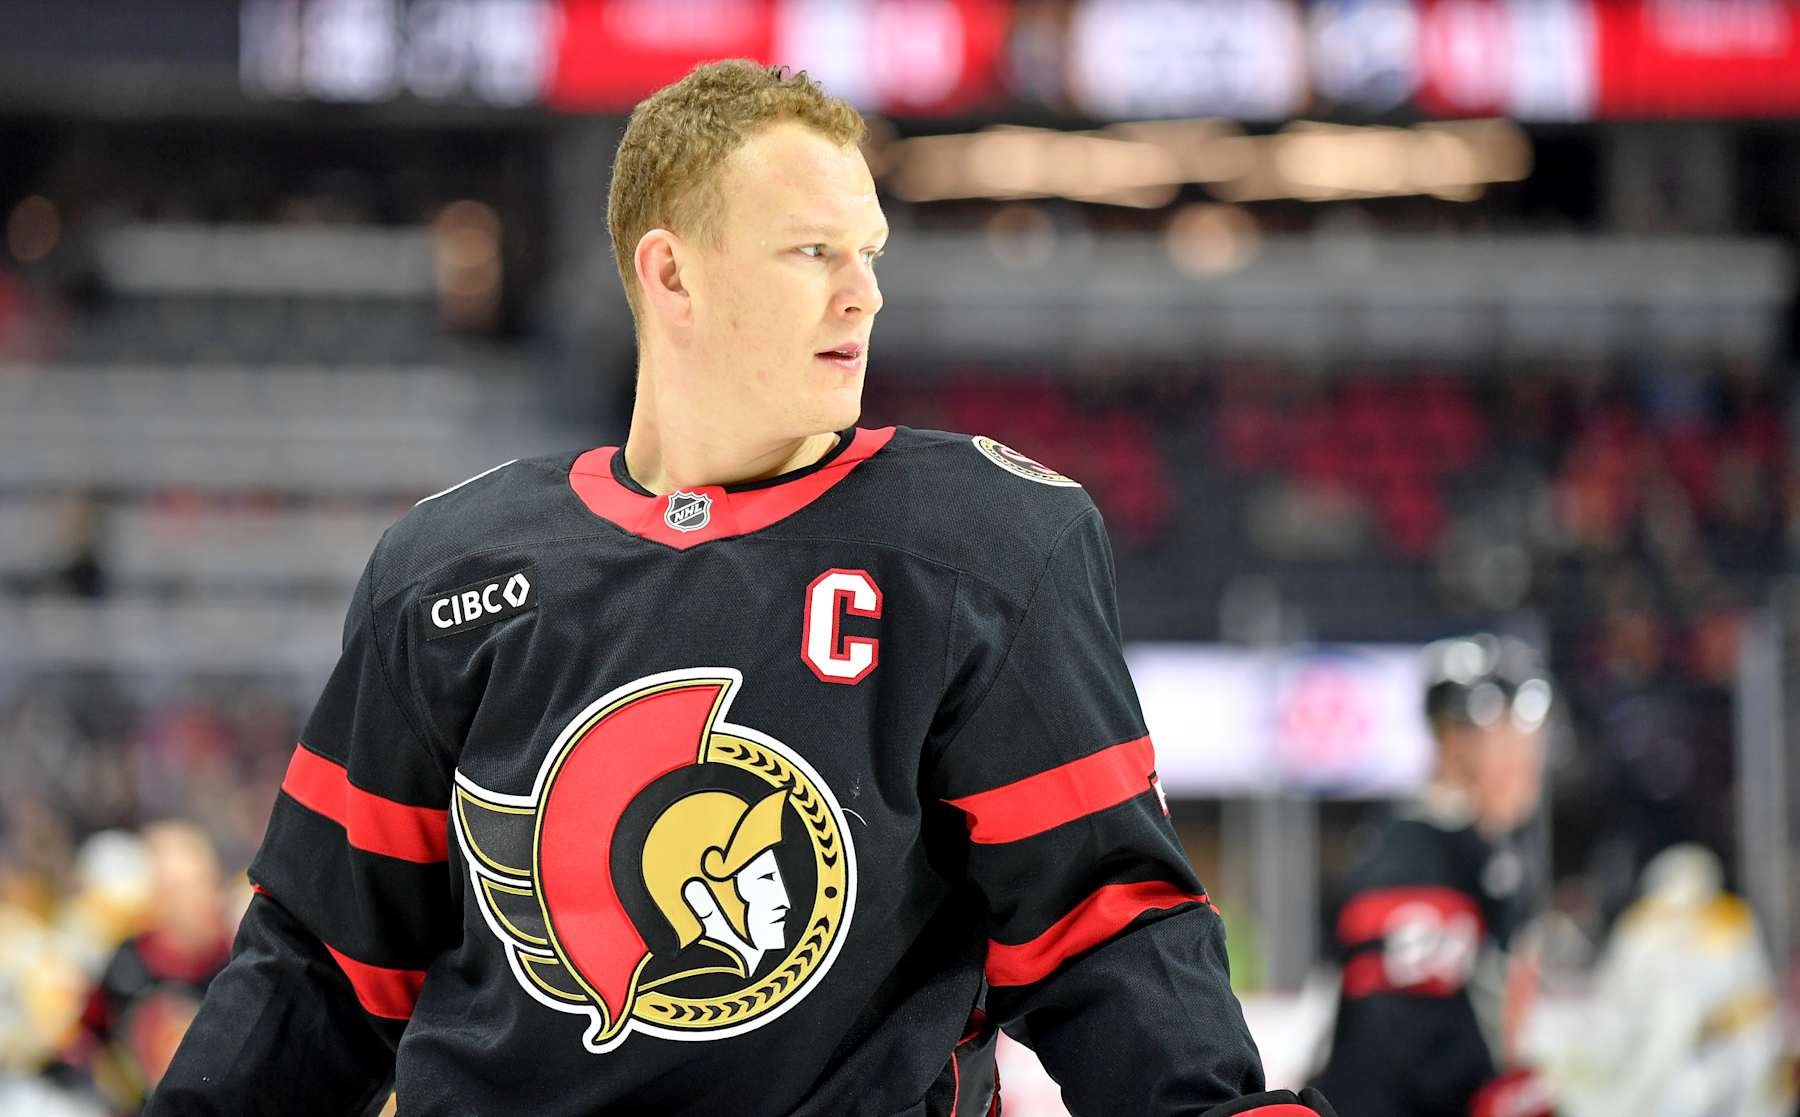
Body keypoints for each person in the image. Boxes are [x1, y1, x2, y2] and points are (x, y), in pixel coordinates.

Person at [148, 61, 1335, 1117]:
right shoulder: (447, 568)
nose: (863, 294)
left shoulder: (985, 545)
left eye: (869, 252)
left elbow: (1108, 928)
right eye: (813, 252)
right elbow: (323, 964)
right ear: (671, 273)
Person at [1311, 635, 1550, 1117]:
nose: (1527, 762)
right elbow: (1394, 1049)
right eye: (1507, 738)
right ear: (1452, 741)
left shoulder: (1438, 847)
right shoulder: (1424, 860)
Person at [1543, 844, 1792, 1117]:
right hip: (1663, 1049)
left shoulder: (1728, 921)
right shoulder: (1645, 923)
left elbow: (1756, 994)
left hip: (1714, 1051)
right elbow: (1616, 991)